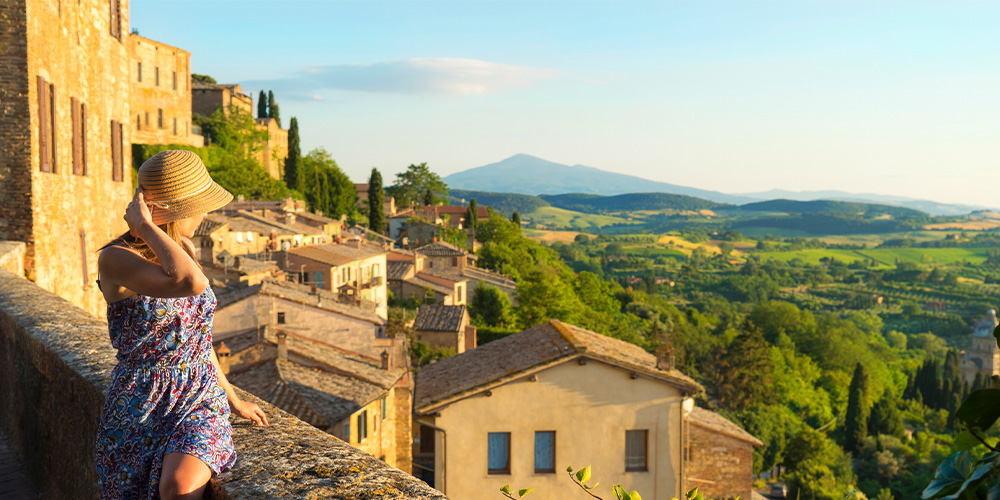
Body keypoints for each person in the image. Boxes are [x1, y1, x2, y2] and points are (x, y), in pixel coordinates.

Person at [94, 150, 269, 500]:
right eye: (199, 205)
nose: (205, 213)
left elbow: (198, 341)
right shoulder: (115, 259)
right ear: (174, 209)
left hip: (198, 395)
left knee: (178, 487)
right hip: (138, 402)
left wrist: (233, 399)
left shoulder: (184, 248)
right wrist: (145, 227)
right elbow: (192, 284)